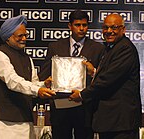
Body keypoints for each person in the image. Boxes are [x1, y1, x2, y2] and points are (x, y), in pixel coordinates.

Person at [70, 13, 142, 139]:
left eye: (114, 27)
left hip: (121, 124)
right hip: (112, 123)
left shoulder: (125, 49)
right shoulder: (111, 48)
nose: (109, 31)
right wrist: (94, 72)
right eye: (105, 28)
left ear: (123, 30)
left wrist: (82, 95)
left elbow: (107, 80)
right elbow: (110, 75)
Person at [38, 10, 104, 139]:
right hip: (60, 106)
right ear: (70, 26)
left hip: (85, 108)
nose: (81, 28)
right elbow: (44, 74)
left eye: (84, 25)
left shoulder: (98, 48)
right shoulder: (55, 47)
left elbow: (102, 79)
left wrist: (93, 71)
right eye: (77, 25)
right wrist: (48, 81)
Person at [0, 15, 56, 139]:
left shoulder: (27, 58)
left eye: (25, 35)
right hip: (5, 121)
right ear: (8, 37)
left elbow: (33, 83)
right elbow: (12, 81)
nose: (24, 38)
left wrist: (43, 85)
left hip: (25, 117)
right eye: (20, 36)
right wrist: (37, 90)